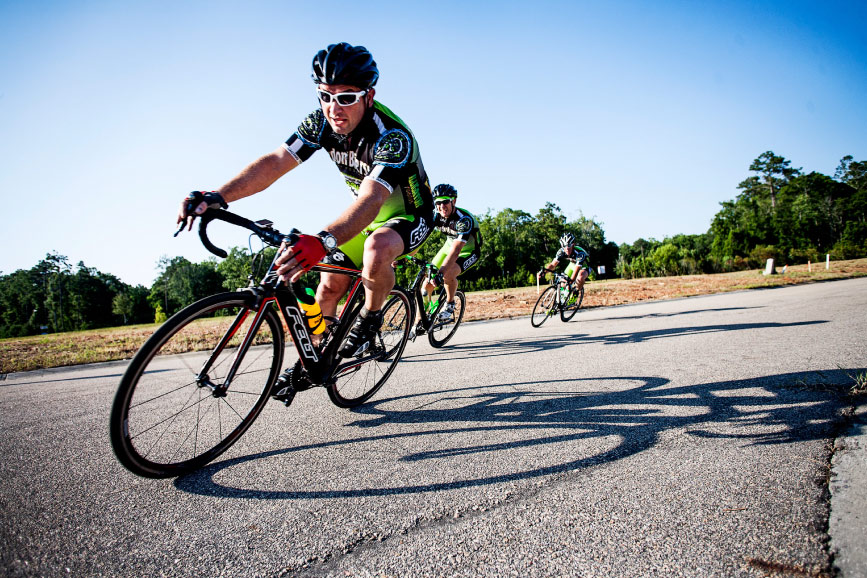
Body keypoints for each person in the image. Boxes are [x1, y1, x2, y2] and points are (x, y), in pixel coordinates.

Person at [177, 43, 434, 395]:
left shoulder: (392, 137)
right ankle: (313, 359)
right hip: (365, 216)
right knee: (327, 286)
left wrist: (323, 239)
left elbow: (373, 198)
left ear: (369, 95)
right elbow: (276, 162)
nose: (334, 108)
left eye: (346, 97)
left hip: (409, 215)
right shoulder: (321, 123)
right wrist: (218, 196)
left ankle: (370, 319)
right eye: (325, 96)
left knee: (376, 248)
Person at [421, 184, 482, 324]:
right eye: (438, 203)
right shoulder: (436, 216)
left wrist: (441, 273)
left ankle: (450, 304)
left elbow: (456, 251)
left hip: (468, 251)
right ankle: (421, 319)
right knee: (426, 283)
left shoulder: (463, 220)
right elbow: (421, 238)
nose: (442, 206)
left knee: (447, 274)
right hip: (448, 247)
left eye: (445, 202)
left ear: (453, 201)